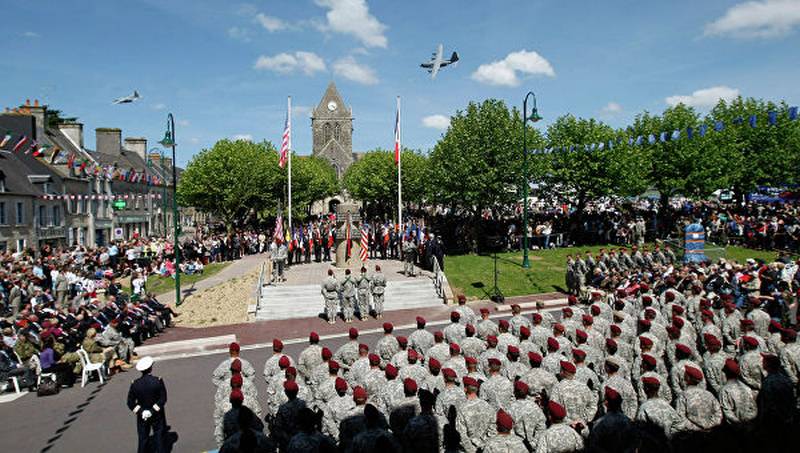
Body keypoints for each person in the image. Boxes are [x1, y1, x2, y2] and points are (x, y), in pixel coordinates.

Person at [127, 357, 167, 453]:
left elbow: (130, 402)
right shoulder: (157, 381)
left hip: (142, 416)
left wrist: (142, 411)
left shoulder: (135, 384)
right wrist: (152, 411)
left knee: (143, 439)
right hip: (157, 414)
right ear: (150, 368)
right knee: (159, 438)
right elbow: (163, 399)